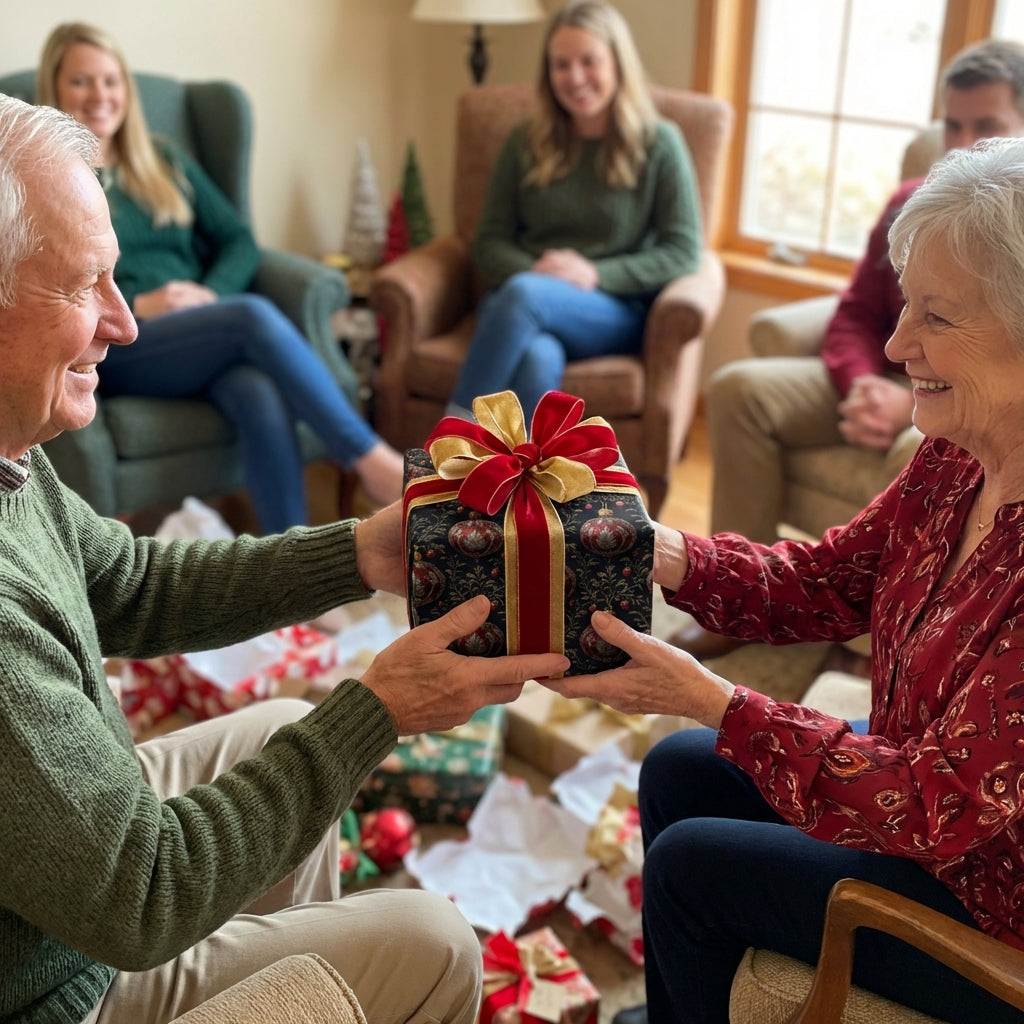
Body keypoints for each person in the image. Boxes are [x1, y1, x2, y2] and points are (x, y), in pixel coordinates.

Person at [0, 94, 571, 1024]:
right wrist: (378, 709)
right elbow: (145, 899)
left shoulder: (10, 460)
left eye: (117, 279)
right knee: (435, 944)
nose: (124, 321)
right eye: (81, 287)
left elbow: (135, 584)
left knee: (274, 732)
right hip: (58, 983)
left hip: (68, 887)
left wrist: (360, 549)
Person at [550, 135, 1024, 1024]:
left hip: (995, 906)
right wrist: (660, 550)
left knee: (693, 864)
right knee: (681, 769)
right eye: (904, 306)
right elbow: (826, 578)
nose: (894, 341)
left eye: (937, 316)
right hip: (924, 804)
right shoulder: (954, 460)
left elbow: (935, 806)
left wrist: (716, 698)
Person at [672, 38, 1024, 661]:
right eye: (953, 124)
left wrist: (905, 401)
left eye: (986, 127)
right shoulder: (917, 205)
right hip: (903, 381)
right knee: (739, 388)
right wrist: (866, 380)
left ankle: (890, 642)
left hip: (938, 390)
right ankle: (743, 610)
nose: (963, 141)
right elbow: (856, 316)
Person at [34, 21, 405, 535]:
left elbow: (238, 240)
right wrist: (143, 303)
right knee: (249, 317)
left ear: (127, 91)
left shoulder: (162, 160)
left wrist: (208, 294)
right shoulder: (54, 180)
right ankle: (370, 460)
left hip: (201, 330)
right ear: (53, 88)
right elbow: (56, 281)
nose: (100, 95)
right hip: (122, 339)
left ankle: (293, 576)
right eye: (81, 81)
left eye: (111, 81)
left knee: (255, 390)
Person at [445, 0, 702, 422]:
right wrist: (539, 271)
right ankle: (521, 485)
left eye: (589, 61)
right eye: (561, 65)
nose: (575, 77)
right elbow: (489, 241)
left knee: (525, 296)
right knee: (536, 357)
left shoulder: (660, 144)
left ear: (618, 63)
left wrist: (595, 274)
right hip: (518, 304)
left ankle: (444, 453)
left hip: (609, 312)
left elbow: (683, 252)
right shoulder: (524, 142)